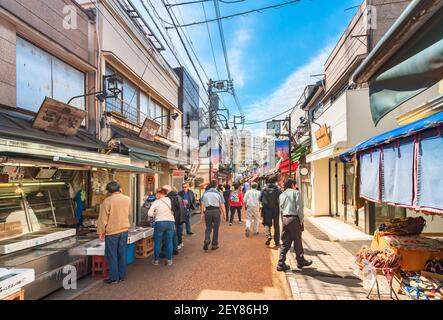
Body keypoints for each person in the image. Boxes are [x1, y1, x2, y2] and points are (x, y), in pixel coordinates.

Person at [97, 181, 131, 284]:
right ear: (119, 188)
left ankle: (114, 277)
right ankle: (121, 275)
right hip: (124, 230)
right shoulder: (127, 199)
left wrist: (101, 232)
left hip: (112, 232)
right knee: (122, 253)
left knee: (112, 255)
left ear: (109, 191)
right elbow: (128, 213)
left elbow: (102, 219)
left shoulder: (107, 201)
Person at [277, 179, 312, 271]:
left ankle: (281, 263)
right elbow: (299, 208)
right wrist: (301, 220)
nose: (295, 186)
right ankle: (300, 261)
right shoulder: (296, 193)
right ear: (292, 185)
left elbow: (281, 209)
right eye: (295, 184)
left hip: (285, 219)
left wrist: (282, 221)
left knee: (285, 242)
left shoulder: (282, 195)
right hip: (294, 219)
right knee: (297, 240)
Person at [148, 188, 175, 266]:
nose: (156, 195)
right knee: (169, 242)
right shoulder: (169, 200)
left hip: (160, 222)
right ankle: (169, 260)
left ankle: (156, 261)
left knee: (157, 242)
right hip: (170, 222)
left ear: (159, 194)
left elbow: (149, 213)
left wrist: (155, 214)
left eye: (156, 194)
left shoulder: (156, 202)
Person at [200, 181, 226, 251]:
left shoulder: (205, 193)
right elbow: (222, 205)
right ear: (216, 186)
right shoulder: (219, 193)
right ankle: (214, 244)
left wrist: (202, 213)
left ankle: (206, 239)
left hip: (208, 211)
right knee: (216, 228)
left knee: (208, 227)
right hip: (216, 211)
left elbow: (202, 204)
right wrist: (224, 214)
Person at [260, 175, 282, 247]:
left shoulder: (264, 189)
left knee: (267, 224)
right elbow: (281, 199)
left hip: (266, 209)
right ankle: (277, 241)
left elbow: (260, 198)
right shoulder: (278, 189)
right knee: (276, 225)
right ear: (275, 182)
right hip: (276, 209)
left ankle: (268, 236)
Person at [163, 185, 185, 251]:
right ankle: (179, 244)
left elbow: (174, 209)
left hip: (175, 218)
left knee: (174, 234)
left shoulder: (170, 198)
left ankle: (175, 247)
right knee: (178, 232)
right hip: (180, 217)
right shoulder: (179, 196)